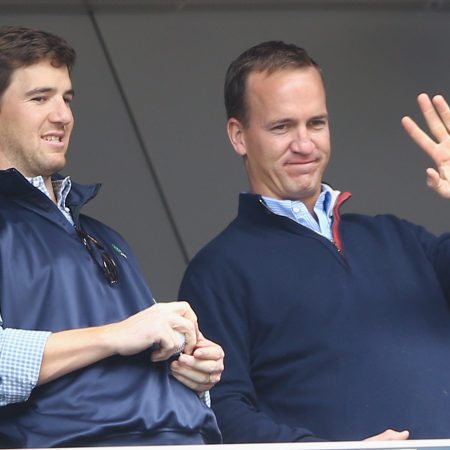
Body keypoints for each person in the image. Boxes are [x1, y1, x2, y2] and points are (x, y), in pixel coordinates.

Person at [179, 40, 450, 443]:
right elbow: (221, 410)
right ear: (239, 136)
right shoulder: (217, 272)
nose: (304, 144)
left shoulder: (402, 238)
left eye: (316, 123)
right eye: (282, 127)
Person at [0, 25, 223, 448]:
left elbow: (141, 345)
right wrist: (114, 336)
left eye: (66, 98)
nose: (63, 115)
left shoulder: (105, 236)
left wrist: (196, 371)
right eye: (39, 98)